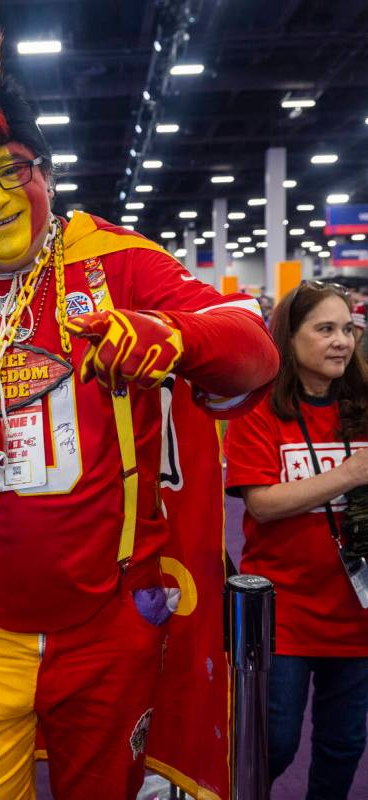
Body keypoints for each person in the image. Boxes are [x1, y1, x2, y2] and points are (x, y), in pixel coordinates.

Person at [0, 22, 279, 800]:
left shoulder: (113, 263)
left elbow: (253, 350)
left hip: (109, 622)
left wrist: (168, 337)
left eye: (9, 171)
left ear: (43, 172)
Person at [224, 280, 368, 800]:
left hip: (358, 612)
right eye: (325, 329)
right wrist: (349, 475)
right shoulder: (257, 409)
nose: (341, 342)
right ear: (288, 339)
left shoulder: (364, 403)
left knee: (344, 745)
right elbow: (262, 503)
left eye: (348, 330)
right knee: (275, 743)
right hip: (284, 614)